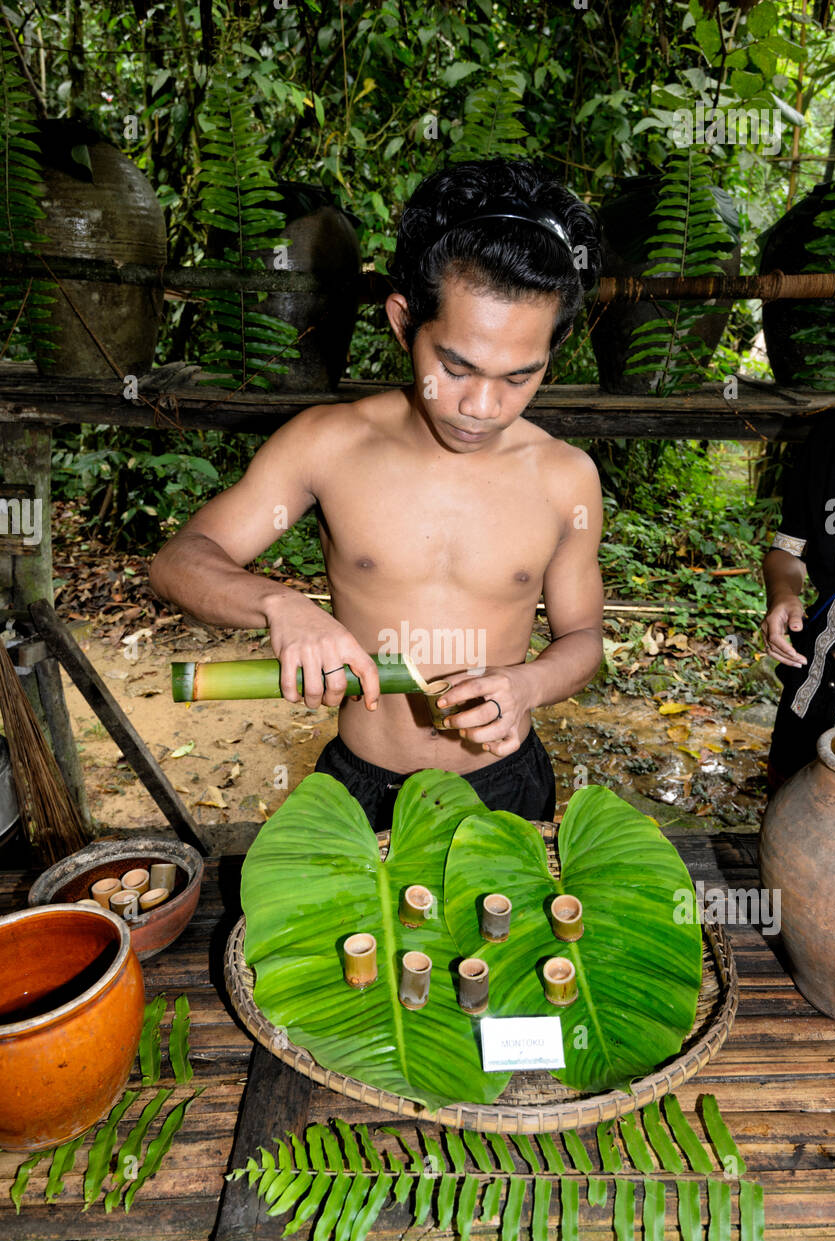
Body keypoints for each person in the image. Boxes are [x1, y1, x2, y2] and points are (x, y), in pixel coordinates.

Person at [150, 157, 605, 829]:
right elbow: (179, 561)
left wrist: (527, 683)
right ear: (402, 322)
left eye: (519, 375)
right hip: (360, 788)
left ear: (553, 350)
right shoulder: (327, 444)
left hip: (502, 789)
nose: (482, 405)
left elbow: (583, 637)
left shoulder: (565, 476)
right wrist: (281, 607)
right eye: (455, 366)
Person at [761, 398, 835, 791]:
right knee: (795, 834)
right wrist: (783, 595)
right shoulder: (834, 433)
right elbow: (788, 550)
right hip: (814, 690)